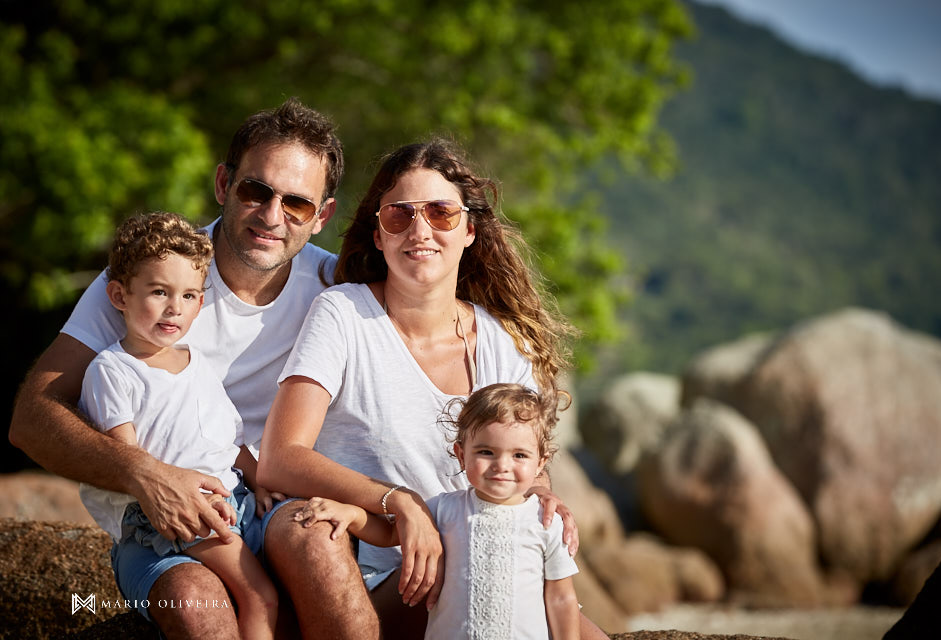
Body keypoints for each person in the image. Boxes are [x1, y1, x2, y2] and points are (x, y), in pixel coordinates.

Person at [7, 98, 374, 638]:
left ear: (321, 216)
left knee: (319, 545)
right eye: (257, 190)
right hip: (160, 522)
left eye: (296, 204)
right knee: (195, 603)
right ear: (224, 184)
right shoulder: (153, 278)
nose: (273, 216)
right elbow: (32, 417)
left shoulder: (336, 291)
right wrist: (147, 474)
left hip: (270, 500)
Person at [257, 139, 608, 639]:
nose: (419, 230)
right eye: (399, 216)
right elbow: (281, 457)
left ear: (468, 230)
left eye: (441, 213)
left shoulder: (499, 343)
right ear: (378, 235)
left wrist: (546, 499)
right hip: (370, 570)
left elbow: (529, 470)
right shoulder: (343, 313)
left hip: (475, 564)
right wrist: (399, 501)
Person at [79, 212, 277, 636]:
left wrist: (262, 481)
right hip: (182, 517)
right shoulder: (113, 370)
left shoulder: (198, 363)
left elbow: (228, 441)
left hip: (235, 502)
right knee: (260, 596)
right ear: (119, 296)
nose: (175, 308)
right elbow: (126, 460)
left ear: (200, 303)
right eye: (159, 291)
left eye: (189, 295)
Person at [293, 382, 581, 640]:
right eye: (486, 452)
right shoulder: (444, 508)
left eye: (519, 455)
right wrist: (350, 514)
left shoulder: (545, 522)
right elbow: (389, 532)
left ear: (540, 463)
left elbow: (560, 598)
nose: (502, 465)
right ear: (460, 454)